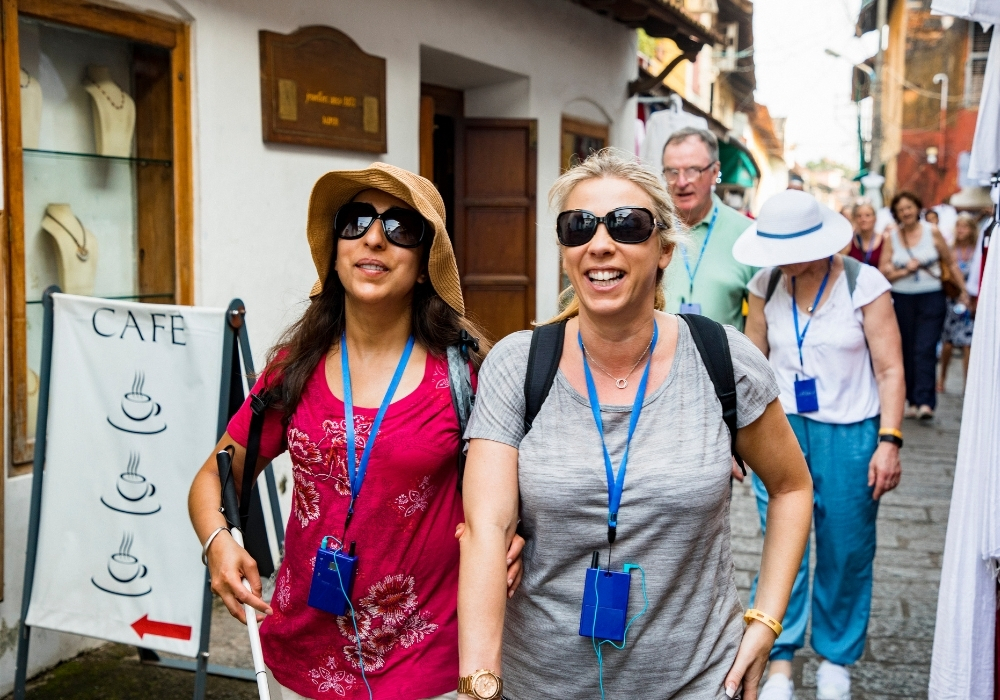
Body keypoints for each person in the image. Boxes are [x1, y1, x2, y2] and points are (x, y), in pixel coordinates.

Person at [457, 149, 813, 699]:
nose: (601, 243)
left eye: (627, 224)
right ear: (565, 251)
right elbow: (486, 530)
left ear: (664, 248)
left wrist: (765, 623)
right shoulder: (517, 364)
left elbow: (791, 486)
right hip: (542, 683)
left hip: (694, 681)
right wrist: (479, 683)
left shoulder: (722, 359)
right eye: (579, 227)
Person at [188, 163, 524, 700]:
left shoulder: (467, 377)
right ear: (336, 252)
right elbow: (212, 478)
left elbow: (513, 503)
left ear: (423, 267)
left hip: (428, 667)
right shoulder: (291, 368)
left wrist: (516, 537)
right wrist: (217, 543)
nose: (373, 237)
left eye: (400, 228)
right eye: (356, 220)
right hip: (302, 660)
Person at [735, 189, 906, 700]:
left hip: (851, 430)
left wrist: (889, 440)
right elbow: (753, 363)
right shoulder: (765, 284)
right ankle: (780, 656)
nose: (782, 260)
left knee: (847, 546)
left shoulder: (863, 284)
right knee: (782, 544)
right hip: (781, 430)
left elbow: (891, 368)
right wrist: (737, 438)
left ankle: (836, 655)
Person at [879, 191, 969, 420]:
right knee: (907, 349)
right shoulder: (892, 238)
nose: (906, 212)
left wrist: (964, 291)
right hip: (902, 299)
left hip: (932, 297)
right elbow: (883, 271)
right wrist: (903, 270)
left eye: (909, 207)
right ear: (896, 214)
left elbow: (950, 262)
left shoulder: (933, 232)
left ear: (917, 208)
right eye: (901, 210)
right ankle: (911, 400)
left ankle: (926, 402)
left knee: (925, 348)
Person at [661, 127, 756, 329]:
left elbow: (761, 323)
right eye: (672, 171)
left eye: (693, 170)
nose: (681, 182)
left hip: (723, 360)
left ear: (714, 172)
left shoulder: (747, 235)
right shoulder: (649, 230)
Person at [937, 213, 978, 392]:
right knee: (948, 341)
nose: (961, 230)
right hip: (953, 299)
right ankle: (942, 378)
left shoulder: (976, 251)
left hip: (971, 301)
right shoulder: (950, 249)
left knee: (968, 343)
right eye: (959, 226)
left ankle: (967, 382)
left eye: (965, 226)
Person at [842, 199, 884, 268]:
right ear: (854, 219)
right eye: (859, 216)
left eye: (867, 215)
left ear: (875, 218)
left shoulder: (884, 239)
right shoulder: (849, 240)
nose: (863, 219)